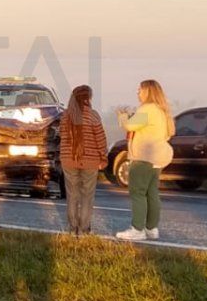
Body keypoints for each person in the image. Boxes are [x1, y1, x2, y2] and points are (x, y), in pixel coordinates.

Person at [115, 80, 175, 241]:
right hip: (158, 158)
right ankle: (151, 228)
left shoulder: (147, 109)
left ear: (148, 91)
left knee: (137, 192)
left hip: (143, 156)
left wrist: (122, 116)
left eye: (140, 90)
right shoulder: (162, 111)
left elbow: (129, 126)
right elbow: (168, 134)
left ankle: (137, 229)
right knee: (152, 192)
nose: (137, 93)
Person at [59, 85, 107, 235]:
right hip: (90, 161)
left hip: (68, 160)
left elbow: (62, 137)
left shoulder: (65, 116)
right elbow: (100, 139)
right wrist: (103, 158)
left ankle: (73, 229)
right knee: (87, 196)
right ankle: (84, 229)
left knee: (72, 195)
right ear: (88, 98)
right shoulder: (93, 115)